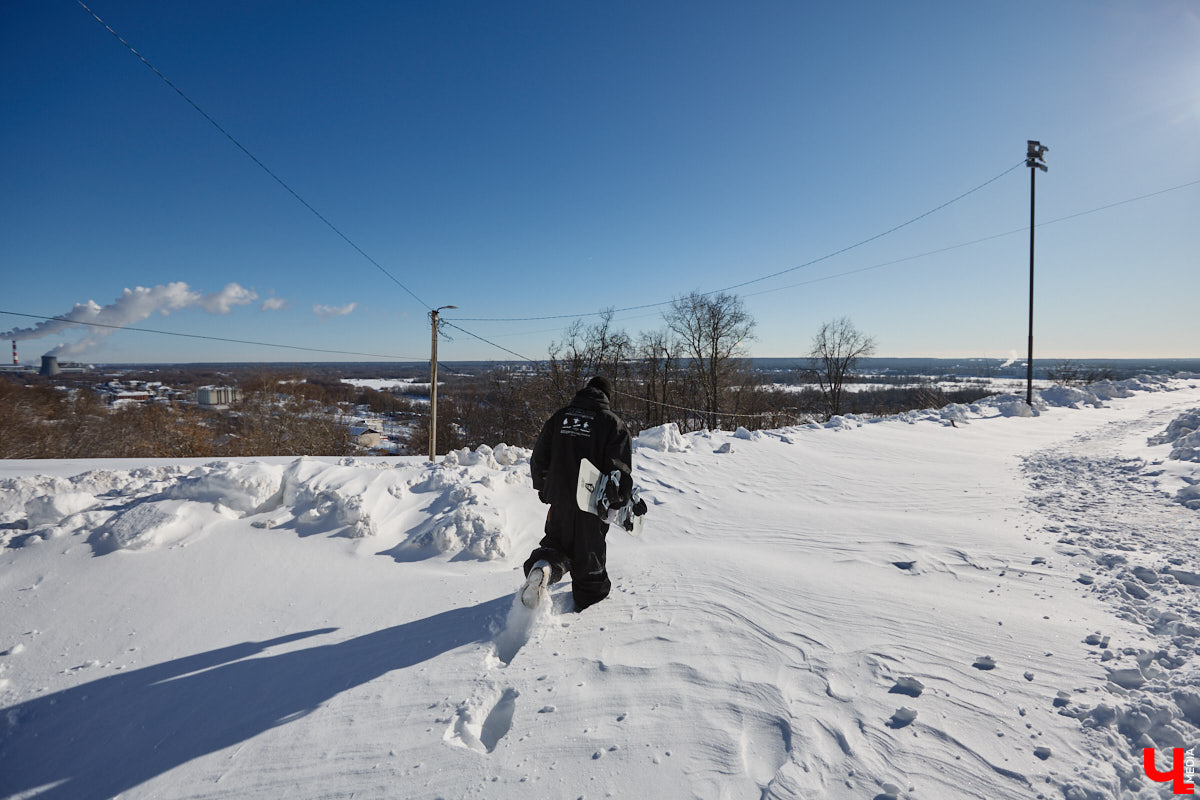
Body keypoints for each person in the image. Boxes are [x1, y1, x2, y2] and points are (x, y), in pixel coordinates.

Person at [521, 376, 632, 611]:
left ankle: (544, 566)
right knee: (589, 563)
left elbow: (539, 457)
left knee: (556, 544)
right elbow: (619, 470)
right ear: (607, 396)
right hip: (591, 504)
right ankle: (588, 614)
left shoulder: (559, 418)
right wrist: (620, 500)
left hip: (559, 500)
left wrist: (544, 488)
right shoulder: (612, 424)